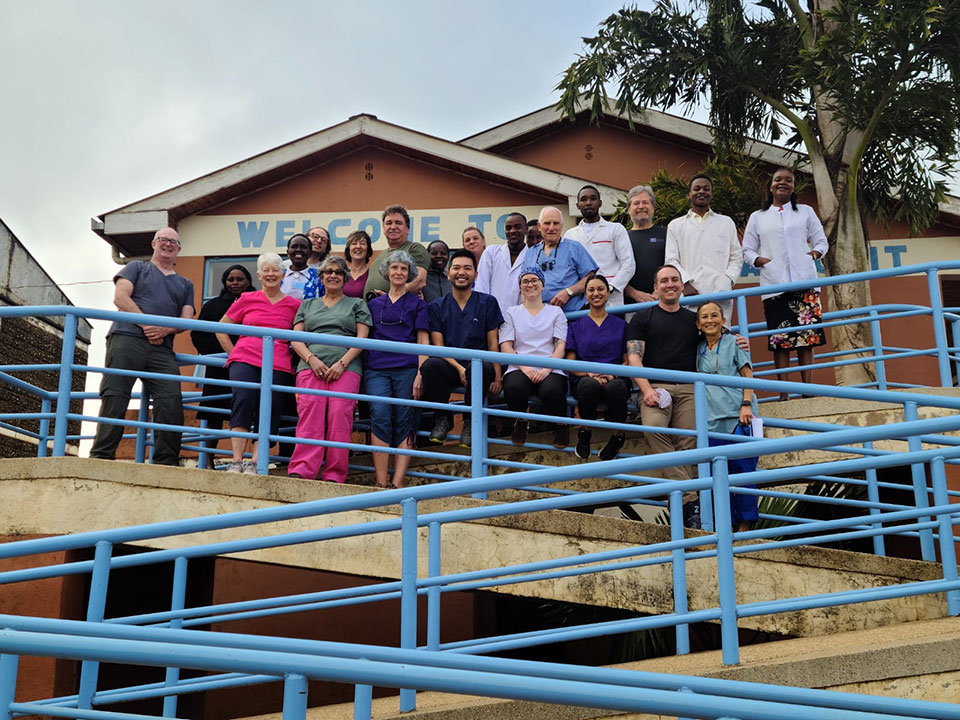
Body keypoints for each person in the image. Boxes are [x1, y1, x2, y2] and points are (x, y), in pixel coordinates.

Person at [627, 264, 749, 528]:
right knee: (653, 428)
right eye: (664, 281)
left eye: (675, 280)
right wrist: (646, 390)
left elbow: (716, 332)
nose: (670, 284)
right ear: (655, 288)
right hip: (656, 388)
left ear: (682, 286)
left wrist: (737, 340)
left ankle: (683, 506)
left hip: (689, 389)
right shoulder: (642, 318)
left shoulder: (691, 320)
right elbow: (634, 357)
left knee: (688, 444)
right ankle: (690, 500)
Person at [90, 227, 195, 467]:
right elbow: (120, 297)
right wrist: (147, 324)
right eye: (163, 240)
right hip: (126, 338)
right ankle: (101, 456)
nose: (168, 245)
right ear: (153, 244)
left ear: (179, 249)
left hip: (162, 349)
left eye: (173, 242)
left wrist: (165, 329)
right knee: (115, 395)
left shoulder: (185, 283)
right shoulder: (136, 267)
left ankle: (166, 461)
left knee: (171, 399)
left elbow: (187, 319)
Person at [742, 167, 828, 399]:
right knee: (780, 341)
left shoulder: (806, 212)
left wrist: (814, 255)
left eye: (788, 180)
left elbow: (821, 241)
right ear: (770, 187)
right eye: (778, 179)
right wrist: (759, 260)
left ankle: (807, 390)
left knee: (806, 338)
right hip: (774, 285)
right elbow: (747, 249)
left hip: (805, 284)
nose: (783, 183)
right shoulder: (758, 217)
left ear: (793, 186)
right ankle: (784, 392)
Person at [288, 256, 372, 482]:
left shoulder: (357, 304)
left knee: (339, 415)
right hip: (310, 365)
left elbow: (362, 339)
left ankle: (334, 474)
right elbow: (295, 339)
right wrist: (311, 359)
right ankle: (302, 468)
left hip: (346, 366)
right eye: (328, 272)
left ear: (345, 278)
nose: (333, 275)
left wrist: (342, 363)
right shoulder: (307, 305)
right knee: (310, 412)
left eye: (338, 272)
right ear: (321, 277)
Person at [215, 253, 300, 473]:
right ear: (259, 275)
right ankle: (236, 461)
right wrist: (234, 354)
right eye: (266, 270)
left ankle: (255, 462)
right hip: (245, 359)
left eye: (275, 270)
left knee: (270, 409)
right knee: (243, 399)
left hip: (279, 363)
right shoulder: (246, 298)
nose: (271, 274)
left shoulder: (294, 305)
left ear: (283, 274)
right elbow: (221, 328)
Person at [422, 249, 503, 447]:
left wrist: (498, 376)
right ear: (448, 273)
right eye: (456, 268)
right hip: (450, 363)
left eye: (467, 268)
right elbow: (438, 347)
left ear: (475, 275)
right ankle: (443, 418)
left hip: (479, 365)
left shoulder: (488, 302)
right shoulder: (437, 306)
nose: (461, 272)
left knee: (481, 368)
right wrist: (459, 368)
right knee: (430, 366)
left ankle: (469, 422)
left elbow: (493, 343)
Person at [366, 250, 430, 488]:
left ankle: (397, 482)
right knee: (380, 416)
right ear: (387, 272)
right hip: (377, 369)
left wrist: (421, 373)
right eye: (394, 268)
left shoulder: (418, 305)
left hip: (407, 369)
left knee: (405, 418)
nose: (399, 272)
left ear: (410, 273)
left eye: (404, 269)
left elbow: (424, 341)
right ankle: (381, 483)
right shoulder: (373, 304)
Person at [696, 300, 757, 531]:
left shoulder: (734, 342)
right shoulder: (698, 349)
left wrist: (746, 405)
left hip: (737, 416)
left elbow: (747, 376)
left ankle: (745, 525)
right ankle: (725, 525)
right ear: (698, 324)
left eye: (714, 316)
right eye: (704, 317)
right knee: (716, 475)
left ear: (723, 320)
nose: (710, 320)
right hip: (710, 421)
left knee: (743, 472)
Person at [500, 267, 569, 448]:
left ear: (542, 285)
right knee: (513, 387)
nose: (530, 284)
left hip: (550, 365)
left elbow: (560, 344)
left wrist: (546, 369)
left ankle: (561, 423)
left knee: (552, 391)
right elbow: (505, 345)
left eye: (534, 280)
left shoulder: (555, 312)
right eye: (525, 281)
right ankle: (522, 419)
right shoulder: (512, 312)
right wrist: (524, 367)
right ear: (520, 286)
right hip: (519, 365)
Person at [566, 276, 629, 461]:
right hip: (586, 377)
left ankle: (618, 435)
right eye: (591, 290)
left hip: (616, 377)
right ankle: (584, 433)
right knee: (588, 385)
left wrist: (611, 374)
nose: (596, 294)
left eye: (600, 289)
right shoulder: (576, 326)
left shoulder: (621, 325)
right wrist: (590, 373)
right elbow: (570, 363)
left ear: (608, 293)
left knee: (616, 388)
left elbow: (628, 360)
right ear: (585, 295)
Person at [190, 264, 253, 452]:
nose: (235, 283)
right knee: (214, 415)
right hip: (218, 367)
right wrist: (218, 353)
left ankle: (251, 461)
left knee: (248, 411)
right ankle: (208, 459)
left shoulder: (256, 302)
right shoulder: (213, 306)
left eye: (239, 279)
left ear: (249, 281)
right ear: (224, 282)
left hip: (248, 366)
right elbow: (198, 335)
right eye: (230, 279)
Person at [664, 175, 742, 323]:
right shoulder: (676, 225)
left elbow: (736, 256)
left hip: (720, 293)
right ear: (689, 194)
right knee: (690, 339)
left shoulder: (726, 223)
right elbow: (671, 259)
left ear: (711, 194)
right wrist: (685, 284)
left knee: (720, 339)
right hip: (690, 295)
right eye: (697, 189)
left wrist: (727, 280)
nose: (702, 192)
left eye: (706, 189)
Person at [564, 185, 635, 307]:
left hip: (612, 302)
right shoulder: (570, 235)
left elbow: (629, 264)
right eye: (584, 199)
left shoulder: (616, 229)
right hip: (581, 303)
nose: (588, 203)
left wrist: (610, 288)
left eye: (593, 198)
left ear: (600, 203)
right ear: (577, 205)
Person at [531, 206, 598, 311]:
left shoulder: (575, 248)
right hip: (541, 317)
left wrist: (568, 292)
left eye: (556, 223)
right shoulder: (531, 252)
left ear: (561, 226)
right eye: (547, 223)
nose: (551, 228)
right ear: (539, 226)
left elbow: (590, 279)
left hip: (572, 316)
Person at [364, 205, 429, 298]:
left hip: (398, 310)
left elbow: (419, 281)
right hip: (373, 310)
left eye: (398, 223)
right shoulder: (379, 256)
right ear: (384, 229)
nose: (393, 227)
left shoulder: (414, 249)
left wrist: (390, 299)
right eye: (389, 223)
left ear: (408, 229)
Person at [475, 212, 528, 314]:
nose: (512, 231)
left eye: (517, 227)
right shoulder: (491, 252)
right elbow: (482, 287)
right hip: (491, 318)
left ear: (526, 229)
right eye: (508, 228)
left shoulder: (532, 256)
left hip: (521, 319)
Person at [624, 185, 668, 305]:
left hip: (662, 301)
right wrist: (633, 293)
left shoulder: (667, 234)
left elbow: (673, 265)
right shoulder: (621, 237)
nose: (641, 206)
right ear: (629, 209)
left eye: (645, 202)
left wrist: (659, 291)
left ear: (653, 207)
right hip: (630, 305)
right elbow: (614, 270)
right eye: (636, 203)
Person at [281, 233, 322, 300]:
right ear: (288, 252)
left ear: (310, 253)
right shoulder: (279, 276)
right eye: (294, 246)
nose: (299, 250)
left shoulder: (319, 277)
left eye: (303, 247)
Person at [343, 230, 373, 299]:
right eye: (354, 243)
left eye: (362, 243)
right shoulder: (341, 273)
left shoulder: (371, 275)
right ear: (349, 249)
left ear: (368, 249)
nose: (358, 246)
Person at [423, 239, 452, 304]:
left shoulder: (453, 278)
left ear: (448, 256)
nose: (439, 256)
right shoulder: (422, 278)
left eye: (443, 253)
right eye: (434, 253)